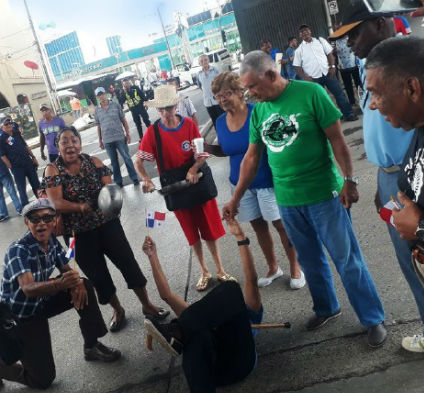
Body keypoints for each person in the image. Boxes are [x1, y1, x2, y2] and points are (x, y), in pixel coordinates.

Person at [225, 51, 387, 347]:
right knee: (310, 261)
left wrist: (349, 180)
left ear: (271, 75)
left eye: (252, 86)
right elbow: (251, 157)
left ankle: (373, 318)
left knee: (347, 261)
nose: (249, 93)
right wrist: (236, 197)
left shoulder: (311, 93)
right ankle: (327, 308)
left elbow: (338, 140)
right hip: (287, 201)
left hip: (325, 195)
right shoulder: (259, 111)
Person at [332, 1, 424, 353]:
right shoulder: (373, 68)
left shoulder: (415, 56)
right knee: (413, 261)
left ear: (379, 24)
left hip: (419, 177)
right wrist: (383, 183)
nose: (349, 44)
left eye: (354, 33)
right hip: (393, 176)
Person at [0, 198, 121, 390]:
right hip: (22, 316)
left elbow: (66, 267)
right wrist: (63, 283)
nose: (42, 223)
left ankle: (91, 346)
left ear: (55, 221)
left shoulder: (51, 240)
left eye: (47, 218)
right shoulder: (18, 250)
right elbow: (28, 289)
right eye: (35, 219)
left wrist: (76, 282)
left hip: (43, 302)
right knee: (42, 379)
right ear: (27, 222)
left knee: (84, 284)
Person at [44, 126, 168, 332]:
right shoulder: (53, 170)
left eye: (74, 140)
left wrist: (111, 200)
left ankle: (147, 304)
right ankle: (118, 309)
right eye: (64, 142)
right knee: (97, 276)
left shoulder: (94, 162)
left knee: (128, 263)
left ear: (80, 143)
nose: (70, 145)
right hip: (76, 234)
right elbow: (55, 202)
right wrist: (79, 207)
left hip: (108, 226)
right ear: (57, 146)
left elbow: (110, 190)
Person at [365, 36, 424, 351]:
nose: (372, 104)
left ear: (412, 88)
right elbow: (415, 186)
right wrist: (392, 208)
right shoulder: (420, 125)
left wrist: (422, 226)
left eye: (377, 93)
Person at [142, 218, 264, 393]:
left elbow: (251, 279)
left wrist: (241, 238)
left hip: (241, 363)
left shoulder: (249, 313)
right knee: (196, 336)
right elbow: (166, 295)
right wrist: (152, 256)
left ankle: (177, 334)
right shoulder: (197, 319)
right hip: (215, 373)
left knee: (230, 288)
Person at [206, 71, 303, 289]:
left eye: (226, 94)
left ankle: (296, 267)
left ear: (241, 92)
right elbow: (227, 150)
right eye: (218, 96)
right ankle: (273, 267)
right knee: (259, 227)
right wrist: (207, 149)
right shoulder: (220, 122)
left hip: (267, 180)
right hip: (240, 185)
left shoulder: (257, 112)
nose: (222, 100)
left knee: (281, 226)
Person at [134, 85, 231, 292]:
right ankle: (205, 271)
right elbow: (138, 162)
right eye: (161, 109)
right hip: (175, 189)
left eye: (169, 107)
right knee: (192, 234)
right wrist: (146, 180)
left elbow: (202, 153)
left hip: (198, 184)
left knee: (210, 231)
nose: (166, 113)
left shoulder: (188, 124)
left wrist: (194, 169)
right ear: (157, 111)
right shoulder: (153, 132)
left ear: (176, 105)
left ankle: (221, 269)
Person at [293, 24, 358, 121]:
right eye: (302, 32)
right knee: (320, 100)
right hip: (314, 79)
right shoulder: (299, 50)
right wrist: (305, 77)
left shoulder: (320, 41)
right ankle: (328, 120)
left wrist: (332, 66)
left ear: (310, 31)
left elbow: (330, 54)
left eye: (306, 30)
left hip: (328, 73)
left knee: (339, 94)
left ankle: (348, 114)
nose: (305, 32)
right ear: (300, 35)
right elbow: (296, 66)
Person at [94, 87, 140, 187]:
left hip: (119, 137)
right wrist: (100, 140)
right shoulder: (97, 110)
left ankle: (134, 178)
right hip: (107, 140)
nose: (101, 96)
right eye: (99, 95)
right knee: (114, 162)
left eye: (102, 94)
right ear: (97, 97)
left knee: (127, 158)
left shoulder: (115, 105)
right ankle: (118, 182)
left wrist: (127, 134)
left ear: (105, 94)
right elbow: (98, 126)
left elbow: (124, 120)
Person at [0, 118, 40, 207]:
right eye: (6, 124)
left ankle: (42, 201)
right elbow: (2, 156)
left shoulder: (16, 133)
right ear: (2, 127)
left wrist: (33, 157)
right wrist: (11, 166)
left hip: (28, 163)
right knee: (21, 188)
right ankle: (26, 207)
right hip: (17, 167)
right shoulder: (1, 139)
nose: (9, 125)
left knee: (36, 184)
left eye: (10, 123)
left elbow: (25, 146)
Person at [332, 26, 361, 107]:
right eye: (336, 30)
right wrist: (334, 51)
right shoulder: (334, 41)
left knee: (358, 84)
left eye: (338, 29)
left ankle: (362, 100)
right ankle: (353, 103)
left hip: (354, 65)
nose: (337, 31)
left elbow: (356, 47)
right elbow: (332, 53)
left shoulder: (350, 38)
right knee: (348, 86)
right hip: (343, 67)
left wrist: (353, 47)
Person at [196, 54, 223, 129]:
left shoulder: (215, 70)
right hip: (207, 102)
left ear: (208, 60)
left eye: (205, 60)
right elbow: (200, 86)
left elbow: (222, 82)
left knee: (223, 119)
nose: (204, 62)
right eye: (201, 61)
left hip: (218, 100)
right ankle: (220, 137)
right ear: (199, 63)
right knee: (215, 121)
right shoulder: (199, 74)